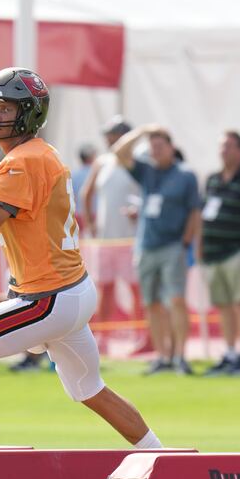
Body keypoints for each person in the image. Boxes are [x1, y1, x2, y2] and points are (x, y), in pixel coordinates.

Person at [0, 67, 162, 451]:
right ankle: (158, 455)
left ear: (30, 111)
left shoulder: (22, 162)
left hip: (45, 299)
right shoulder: (38, 154)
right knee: (89, 388)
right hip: (70, 291)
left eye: (6, 108)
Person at [112, 124, 201, 375]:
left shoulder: (185, 175)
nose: (156, 151)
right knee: (151, 303)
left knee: (176, 300)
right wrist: (141, 132)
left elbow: (194, 211)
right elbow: (119, 152)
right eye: (153, 146)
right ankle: (163, 355)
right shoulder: (147, 171)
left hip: (173, 245)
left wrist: (186, 242)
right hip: (147, 246)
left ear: (172, 147)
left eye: (161, 146)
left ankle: (180, 356)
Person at [80, 116, 147, 353]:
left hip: (130, 238)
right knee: (105, 288)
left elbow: (146, 193)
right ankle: (103, 337)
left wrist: (137, 210)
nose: (108, 139)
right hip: (106, 240)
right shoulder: (102, 162)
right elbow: (86, 193)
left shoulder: (138, 162)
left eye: (113, 134)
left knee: (135, 289)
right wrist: (91, 223)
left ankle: (141, 335)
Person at [201, 131, 240, 376]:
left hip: (237, 252)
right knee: (223, 304)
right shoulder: (213, 180)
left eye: (229, 146)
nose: (224, 151)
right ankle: (229, 351)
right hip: (213, 253)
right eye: (221, 146)